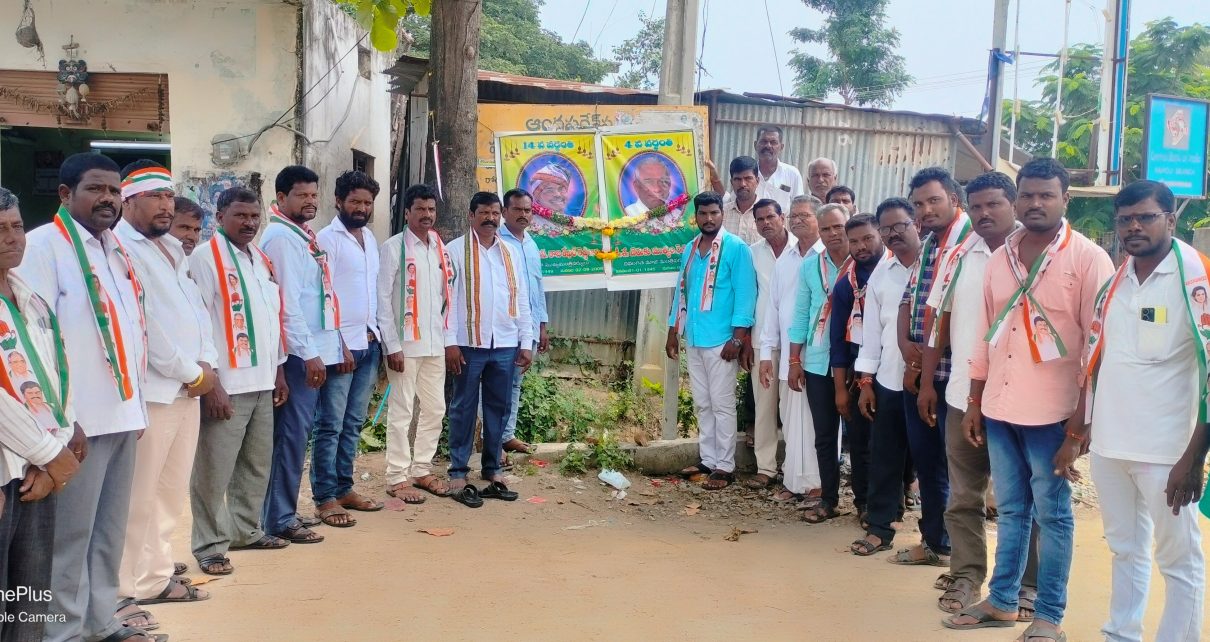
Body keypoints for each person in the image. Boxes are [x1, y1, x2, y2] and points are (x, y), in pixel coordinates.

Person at [946, 158, 1114, 642]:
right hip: (1000, 408)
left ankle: (1048, 616)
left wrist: (1080, 427)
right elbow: (986, 333)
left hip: (1054, 416)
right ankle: (1002, 601)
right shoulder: (1001, 258)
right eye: (1028, 195)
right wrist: (975, 400)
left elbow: (1098, 347)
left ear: (1066, 199)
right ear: (1017, 199)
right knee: (1013, 510)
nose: (1035, 203)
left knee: (1053, 515)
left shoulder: (1088, 259)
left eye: (1046, 195)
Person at [19, 152, 152, 641]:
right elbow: (36, 340)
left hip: (122, 414)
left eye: (114, 191)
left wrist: (138, 408)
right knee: (69, 537)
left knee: (108, 530)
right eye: (96, 189)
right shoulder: (42, 247)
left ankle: (100, 622)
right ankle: (63, 632)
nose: (108, 199)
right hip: (77, 422)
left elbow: (131, 332)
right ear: (65, 194)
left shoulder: (116, 249)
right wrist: (62, 419)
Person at [1073, 179, 1206, 642]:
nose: (1134, 226)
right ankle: (1121, 634)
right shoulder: (1116, 281)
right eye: (1125, 219)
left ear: (1170, 219)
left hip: (1167, 451)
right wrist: (1082, 428)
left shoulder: (1197, 280)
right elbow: (1099, 359)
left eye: (1145, 217)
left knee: (1179, 561)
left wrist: (1194, 457)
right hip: (1111, 446)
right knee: (1125, 549)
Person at [917, 171, 1040, 617]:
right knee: (964, 495)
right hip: (960, 395)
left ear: (1014, 204)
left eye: (994, 204)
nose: (984, 213)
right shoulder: (958, 256)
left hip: (1023, 400)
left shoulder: (1036, 253)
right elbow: (938, 322)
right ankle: (967, 575)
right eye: (977, 206)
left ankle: (1027, 585)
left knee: (1023, 498)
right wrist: (927, 382)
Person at [114, 161, 216, 614]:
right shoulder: (122, 248)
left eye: (169, 196)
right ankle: (122, 592)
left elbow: (198, 314)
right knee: (138, 496)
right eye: (154, 196)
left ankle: (153, 579)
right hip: (156, 390)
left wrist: (207, 363)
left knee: (170, 493)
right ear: (127, 201)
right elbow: (146, 325)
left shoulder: (174, 250)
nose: (165, 205)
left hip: (187, 390)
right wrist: (191, 372)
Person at [189, 186, 290, 578]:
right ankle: (210, 546)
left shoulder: (259, 258)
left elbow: (270, 319)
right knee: (213, 470)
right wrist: (211, 383)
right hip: (227, 384)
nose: (249, 223)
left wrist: (279, 370)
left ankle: (246, 531)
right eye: (240, 216)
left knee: (255, 464)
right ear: (220, 217)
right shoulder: (205, 258)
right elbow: (198, 323)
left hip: (263, 380)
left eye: (254, 216)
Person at [0, 187, 80, 642]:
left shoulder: (29, 299)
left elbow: (55, 376)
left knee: (28, 597)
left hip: (38, 469)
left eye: (16, 226)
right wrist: (50, 453)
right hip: (11, 467)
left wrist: (57, 448)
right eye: (0, 229)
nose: (13, 238)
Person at [893, 166, 973, 567]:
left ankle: (962, 557)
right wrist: (908, 352)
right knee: (927, 462)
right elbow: (909, 300)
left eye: (934, 200)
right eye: (919, 204)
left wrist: (924, 370)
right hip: (923, 370)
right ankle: (935, 542)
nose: (925, 210)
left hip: (954, 375)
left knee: (958, 467)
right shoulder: (929, 245)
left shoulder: (972, 244)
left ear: (954, 200)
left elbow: (953, 317)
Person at [260, 165, 345, 544]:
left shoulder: (301, 235)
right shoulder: (281, 238)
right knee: (290, 437)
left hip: (313, 349)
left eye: (313, 195)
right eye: (301, 195)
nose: (310, 201)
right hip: (298, 354)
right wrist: (309, 354)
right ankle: (279, 518)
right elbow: (287, 304)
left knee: (298, 435)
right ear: (281, 198)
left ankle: (284, 511)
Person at [444, 192, 533, 508]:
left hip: (505, 343)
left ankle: (493, 469)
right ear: (471, 215)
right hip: (469, 343)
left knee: (499, 407)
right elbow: (448, 301)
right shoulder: (455, 251)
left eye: (495, 213)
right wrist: (450, 341)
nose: (490, 218)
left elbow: (521, 299)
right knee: (463, 408)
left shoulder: (510, 252)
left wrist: (526, 341)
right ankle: (458, 471)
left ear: (501, 216)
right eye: (484, 213)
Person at [667, 191, 757, 490]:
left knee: (722, 404)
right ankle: (708, 459)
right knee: (703, 404)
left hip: (722, 340)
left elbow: (746, 295)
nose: (708, 218)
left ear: (722, 214)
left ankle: (725, 466)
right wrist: (672, 331)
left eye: (714, 213)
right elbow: (682, 292)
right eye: (703, 213)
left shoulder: (736, 248)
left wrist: (738, 338)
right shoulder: (691, 248)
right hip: (695, 336)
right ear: (696, 216)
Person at [311, 170, 385, 527]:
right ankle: (325, 497)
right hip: (341, 348)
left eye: (367, 203)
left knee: (353, 423)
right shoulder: (327, 240)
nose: (361, 208)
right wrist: (337, 343)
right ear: (338, 201)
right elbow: (322, 295)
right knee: (331, 424)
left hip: (369, 342)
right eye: (355, 201)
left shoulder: (369, 238)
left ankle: (344, 488)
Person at [849, 198, 921, 558]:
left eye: (900, 225)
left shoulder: (937, 265)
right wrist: (866, 382)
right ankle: (880, 528)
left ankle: (935, 538)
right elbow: (872, 333)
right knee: (884, 456)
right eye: (887, 228)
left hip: (931, 380)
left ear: (916, 224)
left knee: (932, 462)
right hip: (890, 379)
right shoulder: (883, 273)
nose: (894, 234)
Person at [377, 184, 454, 503]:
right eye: (420, 209)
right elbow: (382, 299)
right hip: (405, 347)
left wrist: (448, 341)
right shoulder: (393, 247)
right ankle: (397, 476)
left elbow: (444, 297)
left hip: (435, 343)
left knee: (435, 408)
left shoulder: (439, 247)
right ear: (407, 212)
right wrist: (391, 345)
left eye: (431, 209)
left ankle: (422, 469)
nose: (427, 215)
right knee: (402, 410)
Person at [787, 203, 851, 523]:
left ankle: (867, 503)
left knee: (862, 437)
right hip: (816, 360)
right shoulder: (811, 266)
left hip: (855, 361)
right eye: (826, 229)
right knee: (824, 435)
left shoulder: (863, 262)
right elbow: (801, 313)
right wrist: (794, 359)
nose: (832, 233)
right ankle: (829, 500)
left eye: (838, 227)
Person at [759, 196, 821, 503]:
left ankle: (818, 484)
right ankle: (794, 482)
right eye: (793, 215)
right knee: (791, 418)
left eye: (804, 215)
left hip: (819, 355)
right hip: (787, 356)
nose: (797, 220)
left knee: (816, 421)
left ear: (818, 219)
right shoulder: (786, 260)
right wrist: (766, 354)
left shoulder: (829, 255)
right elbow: (772, 309)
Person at [828, 214, 887, 525]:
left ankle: (892, 502)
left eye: (867, 238)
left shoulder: (896, 274)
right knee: (861, 443)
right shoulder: (845, 285)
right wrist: (840, 388)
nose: (861, 246)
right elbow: (837, 340)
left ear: (880, 235)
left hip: (892, 370)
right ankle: (864, 503)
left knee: (891, 443)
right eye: (854, 241)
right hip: (856, 373)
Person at [498, 188, 550, 456]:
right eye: (517, 209)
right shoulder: (496, 241)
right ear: (504, 212)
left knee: (516, 382)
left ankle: (507, 435)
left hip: (529, 327)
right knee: (496, 384)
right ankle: (491, 440)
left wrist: (542, 325)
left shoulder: (531, 244)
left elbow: (537, 288)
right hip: (505, 327)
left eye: (527, 210)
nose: (523, 215)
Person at [747, 198, 790, 489]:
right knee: (763, 406)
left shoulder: (803, 249)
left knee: (792, 407)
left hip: (796, 341)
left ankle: (794, 469)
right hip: (762, 339)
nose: (765, 223)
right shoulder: (752, 253)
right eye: (760, 219)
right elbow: (747, 295)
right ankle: (766, 468)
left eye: (770, 217)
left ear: (782, 217)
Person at [752, 125, 805, 212]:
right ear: (755, 145)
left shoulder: (792, 174)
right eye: (763, 141)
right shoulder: (748, 173)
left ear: (781, 147)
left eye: (773, 142)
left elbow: (800, 207)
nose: (768, 146)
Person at [721, 156, 762, 244]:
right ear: (731, 182)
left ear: (757, 181)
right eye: (737, 179)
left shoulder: (767, 214)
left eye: (748, 178)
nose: (743, 184)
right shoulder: (721, 213)